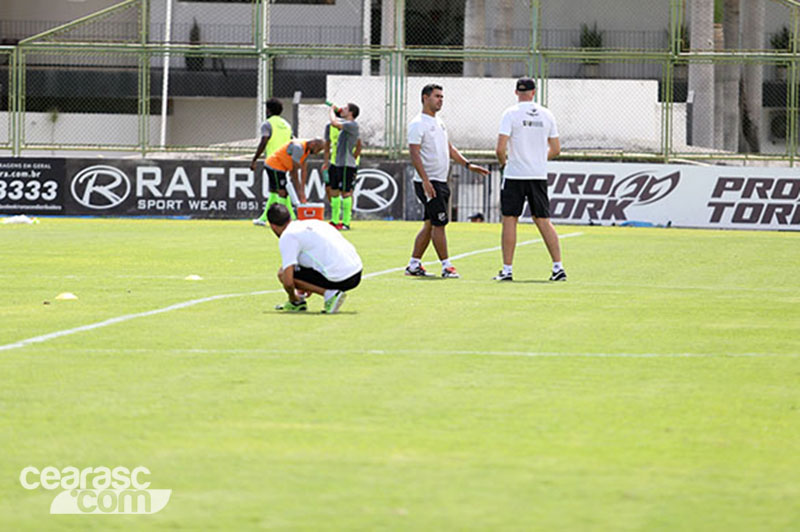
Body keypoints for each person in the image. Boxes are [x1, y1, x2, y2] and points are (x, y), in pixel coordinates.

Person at [405, 83, 489, 278]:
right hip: (430, 182)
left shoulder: (439, 122)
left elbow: (449, 148)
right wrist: (426, 181)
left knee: (430, 223)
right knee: (439, 223)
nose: (440, 100)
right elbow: (414, 154)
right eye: (437, 96)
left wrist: (468, 165)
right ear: (425, 98)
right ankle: (446, 266)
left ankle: (414, 264)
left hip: (439, 180)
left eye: (442, 96)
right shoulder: (418, 123)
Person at [494, 78, 565, 282]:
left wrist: (504, 164)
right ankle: (558, 267)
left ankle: (507, 270)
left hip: (515, 174)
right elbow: (557, 149)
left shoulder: (510, 114)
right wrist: (538, 159)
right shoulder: (547, 114)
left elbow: (500, 148)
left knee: (510, 219)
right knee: (543, 220)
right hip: (538, 174)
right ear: (534, 92)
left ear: (517, 92)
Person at [267, 203, 363, 314]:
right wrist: (307, 285)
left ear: (273, 226)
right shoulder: (310, 223)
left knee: (283, 272)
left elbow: (288, 282)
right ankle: (301, 298)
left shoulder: (288, 236)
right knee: (294, 266)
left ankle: (329, 295)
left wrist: (293, 298)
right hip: (357, 271)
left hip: (342, 278)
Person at [259, 138, 324, 221]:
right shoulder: (298, 148)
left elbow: (304, 170)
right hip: (275, 166)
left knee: (275, 192)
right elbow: (294, 172)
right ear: (313, 144)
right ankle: (280, 219)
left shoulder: (306, 150)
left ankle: (264, 218)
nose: (316, 153)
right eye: (317, 150)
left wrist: (302, 192)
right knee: (282, 193)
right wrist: (299, 193)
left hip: (281, 168)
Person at [251, 98, 293, 226]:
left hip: (273, 161)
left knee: (280, 191)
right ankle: (264, 218)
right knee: (275, 190)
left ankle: (291, 217)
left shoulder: (267, 124)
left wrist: (254, 159)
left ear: (268, 110)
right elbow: (292, 140)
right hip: (286, 160)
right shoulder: (286, 124)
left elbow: (264, 140)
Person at [325, 103, 361, 230]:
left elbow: (334, 123)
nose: (343, 110)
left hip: (347, 164)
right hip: (337, 163)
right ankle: (334, 221)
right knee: (334, 191)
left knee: (346, 192)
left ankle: (346, 222)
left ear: (351, 113)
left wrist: (331, 111)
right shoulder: (346, 124)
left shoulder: (352, 125)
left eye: (345, 109)